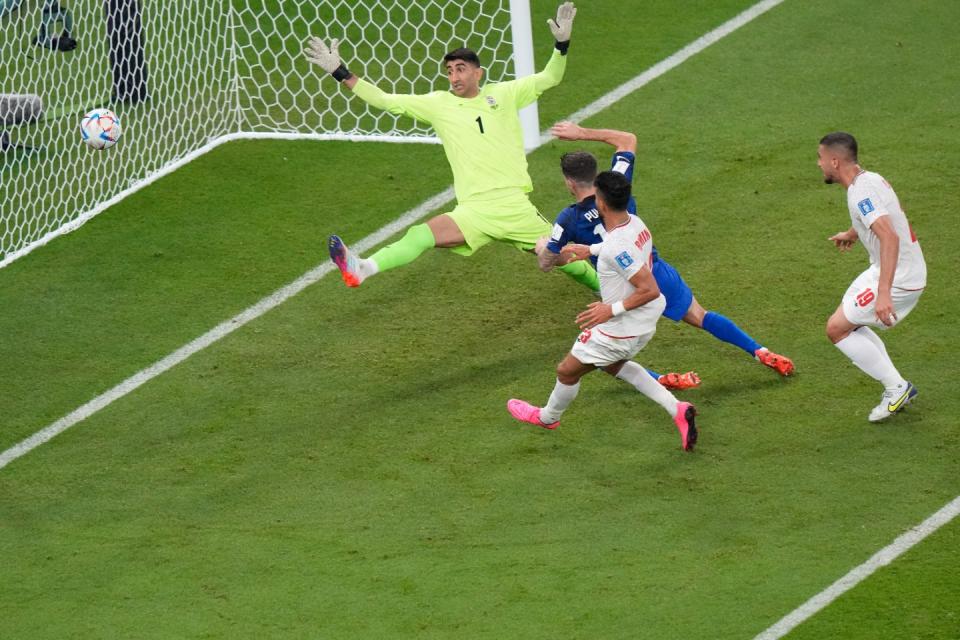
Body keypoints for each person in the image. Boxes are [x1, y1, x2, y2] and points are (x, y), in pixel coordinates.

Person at [302, 2, 599, 293]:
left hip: (511, 206)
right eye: (449, 71)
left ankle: (609, 291)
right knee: (422, 234)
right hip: (472, 210)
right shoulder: (438, 104)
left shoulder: (505, 93)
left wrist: (561, 45)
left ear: (478, 73)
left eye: (461, 69)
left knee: (560, 256)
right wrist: (340, 71)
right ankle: (362, 268)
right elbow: (385, 100)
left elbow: (551, 77)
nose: (454, 77)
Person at [540, 121, 795, 386]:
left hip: (621, 291)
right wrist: (582, 133)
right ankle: (760, 351)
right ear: (595, 174)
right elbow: (627, 139)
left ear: (569, 182)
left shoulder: (568, 219)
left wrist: (544, 249)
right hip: (653, 271)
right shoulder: (618, 187)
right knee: (701, 316)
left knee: (599, 355)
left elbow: (549, 261)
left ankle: (660, 380)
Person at [508, 171, 698, 451]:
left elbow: (650, 288)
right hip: (644, 320)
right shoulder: (635, 222)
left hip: (622, 327)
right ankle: (677, 409)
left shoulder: (616, 246)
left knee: (567, 371)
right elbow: (621, 250)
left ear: (602, 203)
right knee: (614, 365)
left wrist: (611, 309)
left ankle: (548, 418)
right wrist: (592, 250)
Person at [817, 132, 926, 421]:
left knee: (836, 329)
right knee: (846, 325)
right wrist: (853, 233)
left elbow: (889, 236)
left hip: (900, 277)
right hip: (889, 268)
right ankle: (897, 385)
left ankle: (896, 387)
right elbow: (883, 218)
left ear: (835, 161)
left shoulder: (861, 192)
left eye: (821, 158)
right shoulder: (869, 180)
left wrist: (885, 292)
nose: (819, 164)